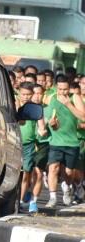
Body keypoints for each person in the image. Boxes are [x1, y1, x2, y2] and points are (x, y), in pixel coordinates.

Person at [42, 75, 85, 208]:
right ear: (56, 87)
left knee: (68, 172)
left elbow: (83, 117)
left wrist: (68, 104)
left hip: (72, 142)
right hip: (56, 141)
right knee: (53, 168)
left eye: (65, 89)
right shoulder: (51, 98)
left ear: (69, 88)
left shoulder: (75, 98)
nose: (62, 92)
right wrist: (52, 124)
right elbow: (49, 120)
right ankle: (53, 197)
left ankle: (67, 187)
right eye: (60, 89)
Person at [17, 81, 46, 214]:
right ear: (18, 92)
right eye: (23, 94)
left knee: (25, 174)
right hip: (12, 142)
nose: (26, 97)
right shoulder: (12, 104)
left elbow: (41, 125)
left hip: (29, 145)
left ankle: (21, 201)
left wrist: (42, 130)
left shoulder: (35, 108)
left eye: (29, 94)